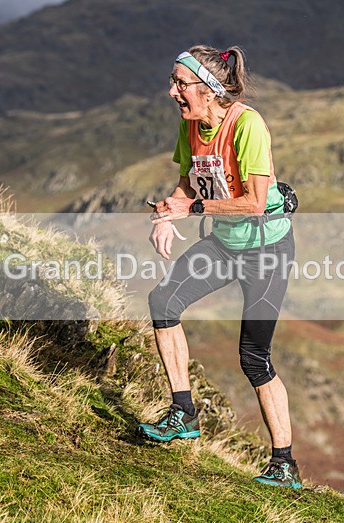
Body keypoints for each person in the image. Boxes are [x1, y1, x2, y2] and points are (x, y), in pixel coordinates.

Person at [135, 44, 300, 489]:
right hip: (224, 245)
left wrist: (189, 212)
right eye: (173, 83)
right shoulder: (191, 126)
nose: (172, 92)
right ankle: (183, 412)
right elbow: (188, 184)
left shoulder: (247, 125)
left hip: (266, 251)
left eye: (180, 84)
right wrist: (167, 212)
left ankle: (284, 464)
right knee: (162, 300)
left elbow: (254, 201)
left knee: (254, 358)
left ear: (208, 90)